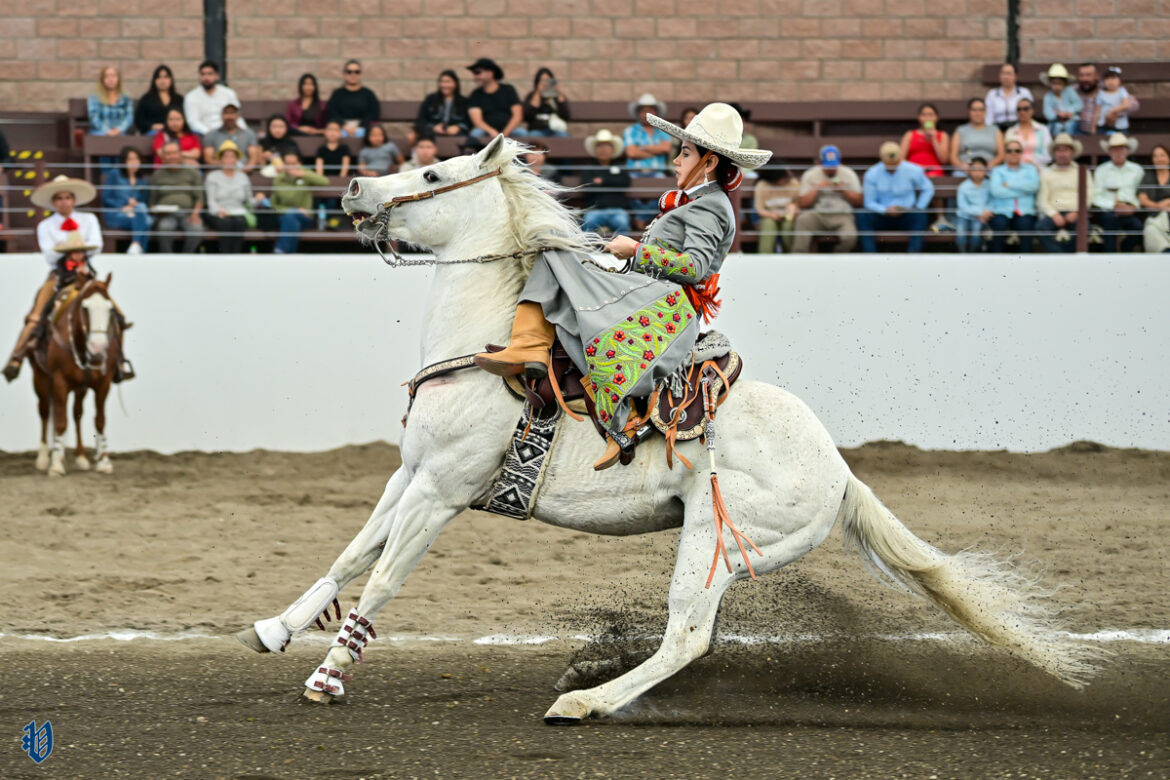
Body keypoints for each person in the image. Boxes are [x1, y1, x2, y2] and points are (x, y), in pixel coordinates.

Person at [474, 103, 771, 469]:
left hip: (665, 308)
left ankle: (532, 347)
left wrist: (636, 250)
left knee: (556, 249)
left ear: (709, 163)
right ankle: (530, 345)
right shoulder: (700, 203)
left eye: (686, 152)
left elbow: (694, 267)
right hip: (650, 294)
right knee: (558, 249)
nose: (676, 160)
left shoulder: (709, 207)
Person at [4, 176, 102, 381]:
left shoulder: (89, 219)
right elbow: (50, 254)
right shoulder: (45, 225)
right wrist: (72, 252)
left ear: (74, 200)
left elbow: (97, 244)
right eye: (59, 198)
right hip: (59, 275)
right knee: (36, 314)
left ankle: (118, 360)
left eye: (68, 197)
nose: (64, 202)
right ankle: (17, 356)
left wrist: (79, 254)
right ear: (53, 202)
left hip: (86, 272)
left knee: (108, 309)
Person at [857, 142, 934, 253]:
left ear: (901, 158)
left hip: (906, 215)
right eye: (889, 163)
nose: (893, 166)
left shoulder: (913, 169)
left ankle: (913, 257)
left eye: (896, 163)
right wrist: (884, 210)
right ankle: (871, 257)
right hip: (882, 216)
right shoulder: (872, 173)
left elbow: (928, 188)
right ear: (882, 160)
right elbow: (869, 201)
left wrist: (917, 206)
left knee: (920, 214)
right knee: (862, 215)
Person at [793, 144, 863, 253]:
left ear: (839, 161)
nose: (831, 169)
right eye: (828, 166)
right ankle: (799, 258)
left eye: (834, 166)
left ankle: (836, 260)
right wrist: (817, 188)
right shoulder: (810, 175)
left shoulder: (849, 174)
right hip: (818, 214)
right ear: (820, 163)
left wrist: (844, 190)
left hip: (842, 215)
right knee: (802, 220)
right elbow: (802, 203)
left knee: (850, 237)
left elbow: (859, 201)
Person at [1035, 134, 1090, 254]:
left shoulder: (1082, 172)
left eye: (1066, 150)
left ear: (1072, 152)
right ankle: (1060, 256)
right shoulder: (1046, 173)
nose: (1062, 153)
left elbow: (1089, 196)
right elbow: (1042, 199)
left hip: (1076, 213)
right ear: (1054, 153)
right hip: (1053, 213)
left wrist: (1077, 212)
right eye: (1059, 150)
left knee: (1086, 228)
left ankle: (1064, 256)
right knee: (1040, 228)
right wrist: (1054, 214)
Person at [148, 140, 205, 253]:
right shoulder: (157, 175)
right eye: (168, 154)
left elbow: (200, 197)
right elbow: (151, 203)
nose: (172, 157)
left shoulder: (192, 172)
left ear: (180, 154)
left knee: (197, 230)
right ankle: (168, 258)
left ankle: (186, 257)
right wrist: (158, 211)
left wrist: (195, 214)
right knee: (164, 228)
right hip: (166, 215)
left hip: (188, 213)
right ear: (163, 157)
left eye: (174, 153)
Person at [1092, 133, 1144, 253]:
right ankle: (1111, 257)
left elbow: (1140, 193)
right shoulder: (1101, 170)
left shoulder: (1137, 170)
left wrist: (1132, 207)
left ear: (1127, 151)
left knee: (1137, 227)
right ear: (1109, 152)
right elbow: (1095, 196)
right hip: (1107, 211)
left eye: (1121, 148)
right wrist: (1114, 207)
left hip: (1130, 210)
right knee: (1110, 222)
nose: (1118, 152)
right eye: (1114, 149)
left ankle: (1124, 254)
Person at [987, 140, 1040, 252]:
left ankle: (1026, 262)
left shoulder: (1030, 169)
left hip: (1025, 211)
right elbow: (996, 191)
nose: (1013, 153)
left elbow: (1034, 187)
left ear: (1021, 153)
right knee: (999, 224)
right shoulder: (997, 170)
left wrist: (1009, 185)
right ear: (1005, 154)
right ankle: (996, 262)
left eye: (1017, 150)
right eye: (1009, 151)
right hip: (1002, 211)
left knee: (1026, 225)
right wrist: (1023, 191)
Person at [272, 151, 329, 254]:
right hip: (284, 217)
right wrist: (294, 210)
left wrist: (303, 174)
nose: (291, 167)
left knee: (291, 219)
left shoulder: (305, 174)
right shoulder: (279, 179)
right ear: (284, 165)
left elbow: (325, 181)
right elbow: (274, 204)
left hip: (306, 217)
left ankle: (281, 250)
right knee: (292, 219)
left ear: (299, 164)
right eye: (288, 164)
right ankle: (289, 255)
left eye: (293, 164)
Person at [204, 141, 255, 253]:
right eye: (226, 156)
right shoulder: (213, 176)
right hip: (219, 212)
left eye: (232, 156)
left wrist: (258, 200)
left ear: (236, 159)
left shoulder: (243, 177)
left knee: (240, 222)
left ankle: (235, 256)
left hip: (239, 212)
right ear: (221, 159)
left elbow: (249, 200)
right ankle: (224, 256)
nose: (229, 160)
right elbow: (211, 201)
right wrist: (218, 211)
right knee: (226, 223)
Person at [578, 129, 631, 237]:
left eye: (606, 146)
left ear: (612, 150)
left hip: (617, 210)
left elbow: (625, 182)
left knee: (623, 223)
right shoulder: (588, 169)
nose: (603, 150)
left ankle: (623, 252)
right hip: (595, 210)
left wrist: (602, 181)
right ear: (595, 150)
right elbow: (587, 187)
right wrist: (612, 181)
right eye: (599, 146)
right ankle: (587, 252)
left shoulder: (620, 167)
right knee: (588, 223)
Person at [101, 146, 152, 254]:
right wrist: (122, 208)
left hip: (135, 215)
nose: (134, 162)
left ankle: (135, 245)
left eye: (136, 159)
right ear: (124, 161)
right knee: (146, 220)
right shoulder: (115, 174)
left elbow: (143, 203)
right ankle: (140, 249)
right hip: (116, 214)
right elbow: (106, 197)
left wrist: (134, 207)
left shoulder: (142, 181)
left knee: (145, 216)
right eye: (130, 159)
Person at [466, 57, 526, 140]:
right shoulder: (476, 94)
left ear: (490, 73)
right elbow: (477, 121)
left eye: (478, 72)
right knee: (475, 133)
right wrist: (492, 132)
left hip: (509, 131)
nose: (475, 76)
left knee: (522, 133)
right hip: (486, 132)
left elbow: (517, 116)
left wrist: (504, 134)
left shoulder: (508, 90)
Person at [184, 60, 245, 135]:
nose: (206, 78)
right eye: (203, 74)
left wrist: (244, 132)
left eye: (210, 74)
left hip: (228, 132)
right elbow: (193, 122)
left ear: (217, 76)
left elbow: (236, 116)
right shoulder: (191, 97)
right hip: (204, 135)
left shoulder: (228, 93)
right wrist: (211, 134)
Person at [411, 70, 470, 146]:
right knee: (415, 134)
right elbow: (422, 119)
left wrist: (458, 127)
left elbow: (469, 122)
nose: (444, 85)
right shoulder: (431, 99)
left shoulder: (464, 102)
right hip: (432, 133)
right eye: (442, 82)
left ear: (456, 84)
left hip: (456, 134)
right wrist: (434, 127)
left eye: (448, 82)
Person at [951, 97, 1004, 177]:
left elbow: (1001, 155)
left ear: (985, 112)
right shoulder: (960, 130)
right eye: (974, 110)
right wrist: (962, 165)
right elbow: (953, 156)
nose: (978, 113)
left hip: (989, 170)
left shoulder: (995, 130)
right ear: (969, 111)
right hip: (966, 171)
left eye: (981, 110)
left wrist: (991, 164)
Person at [326, 59, 380, 138]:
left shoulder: (368, 94)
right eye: (349, 72)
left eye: (356, 72)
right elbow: (332, 112)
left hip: (363, 128)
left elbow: (373, 113)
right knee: (334, 135)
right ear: (344, 74)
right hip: (342, 128)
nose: (353, 75)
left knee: (371, 135)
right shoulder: (337, 94)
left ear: (361, 74)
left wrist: (359, 126)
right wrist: (344, 126)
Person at [753, 166, 800, 253]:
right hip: (768, 216)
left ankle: (791, 255)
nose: (788, 178)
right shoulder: (762, 185)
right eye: (784, 177)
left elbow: (799, 204)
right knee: (768, 225)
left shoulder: (793, 183)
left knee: (788, 226)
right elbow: (760, 209)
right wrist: (771, 215)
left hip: (789, 216)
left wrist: (794, 208)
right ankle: (764, 256)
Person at [623, 93, 672, 175]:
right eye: (643, 111)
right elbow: (631, 153)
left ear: (656, 113)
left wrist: (641, 148)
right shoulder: (630, 130)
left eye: (650, 111)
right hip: (635, 174)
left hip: (658, 174)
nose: (646, 114)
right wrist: (656, 152)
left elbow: (666, 148)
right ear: (638, 113)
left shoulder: (662, 131)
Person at [201, 103, 260, 171]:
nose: (229, 116)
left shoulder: (248, 134)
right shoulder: (211, 135)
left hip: (244, 173)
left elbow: (253, 158)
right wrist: (227, 165)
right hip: (219, 173)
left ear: (238, 116)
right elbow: (208, 160)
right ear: (221, 116)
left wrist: (245, 170)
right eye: (226, 113)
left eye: (232, 113)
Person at [900, 103, 949, 178]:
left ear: (936, 117)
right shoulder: (910, 134)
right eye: (924, 115)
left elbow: (944, 160)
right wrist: (916, 167)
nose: (927, 118)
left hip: (934, 172)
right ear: (919, 117)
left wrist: (934, 139)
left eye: (931, 115)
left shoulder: (942, 135)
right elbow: (901, 159)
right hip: (912, 170)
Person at [954, 157, 991, 253]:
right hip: (964, 216)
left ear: (986, 171)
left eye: (980, 169)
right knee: (961, 232)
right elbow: (962, 206)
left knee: (976, 231)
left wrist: (987, 212)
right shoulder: (964, 186)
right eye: (974, 169)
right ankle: (962, 254)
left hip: (982, 217)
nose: (977, 172)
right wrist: (979, 213)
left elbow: (992, 200)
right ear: (969, 171)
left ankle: (972, 254)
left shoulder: (989, 185)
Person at [134, 64, 183, 135]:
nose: (162, 80)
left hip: (175, 131)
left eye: (166, 77)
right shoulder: (146, 99)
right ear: (154, 80)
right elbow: (139, 120)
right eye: (159, 77)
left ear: (171, 80)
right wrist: (151, 126)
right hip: (154, 132)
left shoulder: (179, 99)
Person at [1139, 144, 1170, 253]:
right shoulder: (1148, 176)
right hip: (1154, 218)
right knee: (1151, 230)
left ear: (1168, 158)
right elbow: (1142, 199)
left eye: (1162, 155)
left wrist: (1168, 201)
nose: (1159, 159)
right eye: (1155, 156)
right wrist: (1159, 206)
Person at [87, 66, 134, 137]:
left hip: (120, 133)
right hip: (99, 132)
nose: (111, 79)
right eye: (107, 76)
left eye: (113, 76)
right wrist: (107, 131)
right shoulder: (94, 97)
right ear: (102, 80)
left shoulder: (126, 98)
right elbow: (94, 117)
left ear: (118, 79)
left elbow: (129, 117)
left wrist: (119, 129)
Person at [985, 62, 1034, 132]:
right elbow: (988, 118)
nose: (1006, 77)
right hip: (997, 129)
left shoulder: (1024, 93)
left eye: (1009, 74)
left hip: (1018, 128)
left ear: (1016, 76)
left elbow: (1029, 113)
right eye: (1003, 73)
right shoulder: (992, 94)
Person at [1005, 98, 1053, 168]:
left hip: (1039, 167)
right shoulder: (1011, 131)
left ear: (1032, 111)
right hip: (1015, 168)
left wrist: (1032, 162)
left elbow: (1048, 154)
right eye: (1019, 109)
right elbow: (1007, 154)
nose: (1022, 112)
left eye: (1026, 109)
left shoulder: (1043, 129)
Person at [523, 67, 570, 137]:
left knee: (563, 135)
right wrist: (538, 92)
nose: (545, 83)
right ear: (537, 82)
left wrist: (559, 92)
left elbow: (566, 116)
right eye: (543, 80)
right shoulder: (532, 95)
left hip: (556, 129)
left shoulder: (557, 96)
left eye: (548, 80)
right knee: (533, 136)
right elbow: (528, 115)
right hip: (537, 129)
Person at [1039, 63, 1082, 138]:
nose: (1057, 86)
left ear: (1064, 83)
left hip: (1071, 120)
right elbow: (1047, 112)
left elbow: (1079, 104)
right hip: (1055, 122)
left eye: (1059, 83)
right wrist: (1057, 115)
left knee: (1069, 126)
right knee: (1057, 127)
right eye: (1054, 83)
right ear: (1050, 83)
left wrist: (1069, 111)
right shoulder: (1048, 96)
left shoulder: (1070, 91)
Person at [1097, 66, 1139, 133]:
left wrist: (1112, 111)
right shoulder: (1101, 93)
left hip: (1120, 125)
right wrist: (1094, 124)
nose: (1110, 82)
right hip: (1103, 124)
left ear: (1120, 81)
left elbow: (1126, 104)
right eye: (1108, 79)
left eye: (1113, 79)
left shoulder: (1122, 91)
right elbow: (1098, 109)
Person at [1074, 63, 1101, 136]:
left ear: (1096, 76)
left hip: (1101, 131)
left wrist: (1115, 111)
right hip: (1078, 131)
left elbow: (1133, 104)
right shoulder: (1073, 91)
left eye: (1088, 75)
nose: (1084, 79)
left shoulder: (1105, 89)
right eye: (1081, 75)